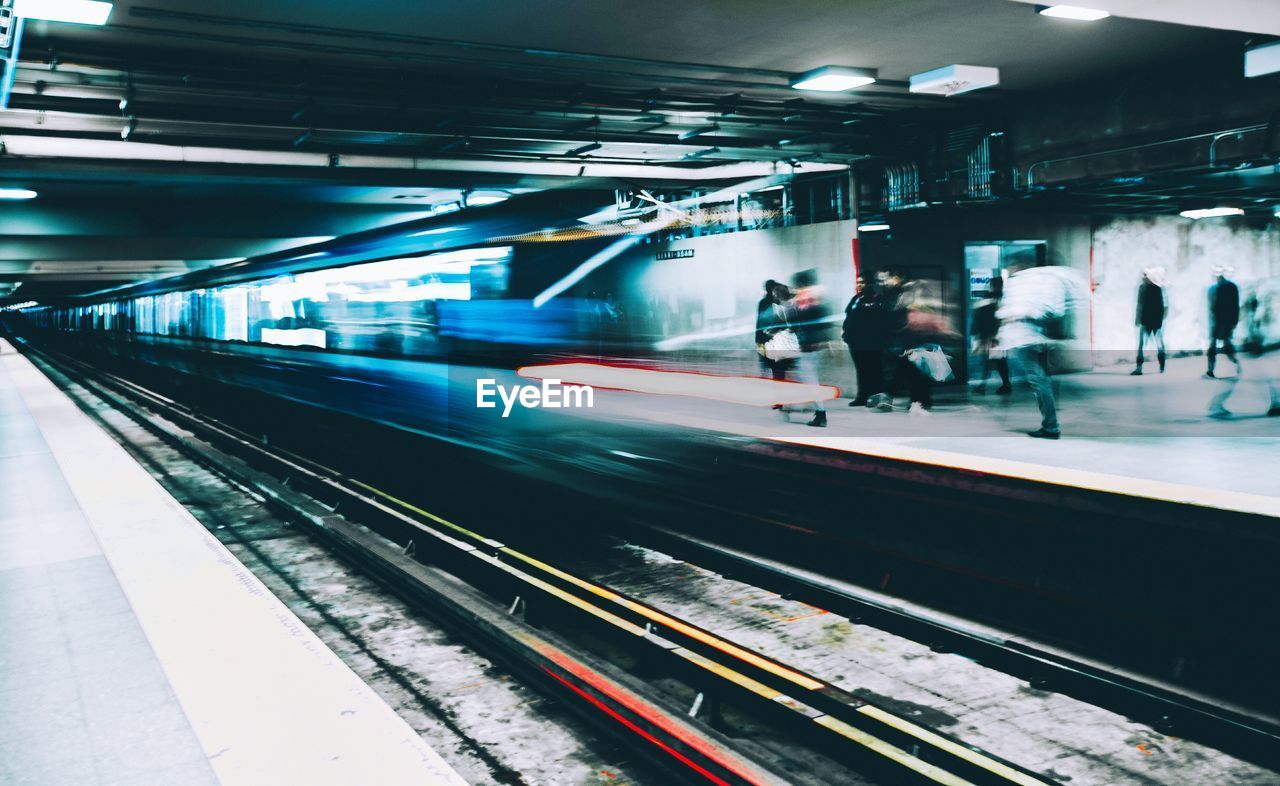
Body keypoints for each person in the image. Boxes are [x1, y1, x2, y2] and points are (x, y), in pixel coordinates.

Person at [997, 265, 1073, 440]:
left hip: (1025, 340)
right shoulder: (1045, 283)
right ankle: (1050, 425)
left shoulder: (1022, 285)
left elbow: (1015, 312)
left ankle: (1051, 427)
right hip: (1036, 339)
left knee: (1040, 382)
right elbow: (1055, 310)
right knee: (1042, 381)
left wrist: (1012, 314)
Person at [788, 269, 832, 427]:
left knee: (811, 381)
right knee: (809, 378)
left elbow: (793, 322)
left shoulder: (802, 299)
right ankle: (805, 406)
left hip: (806, 346)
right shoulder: (818, 298)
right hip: (816, 345)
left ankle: (820, 414)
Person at [841, 274, 887, 406]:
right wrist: (846, 334)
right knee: (861, 370)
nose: (859, 285)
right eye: (857, 283)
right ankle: (862, 396)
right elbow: (849, 317)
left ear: (869, 284)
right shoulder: (856, 299)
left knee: (874, 370)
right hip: (855, 342)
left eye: (862, 283)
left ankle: (875, 397)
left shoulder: (877, 300)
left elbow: (880, 322)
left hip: (872, 343)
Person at [970, 275, 1011, 394]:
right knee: (996, 361)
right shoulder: (1000, 298)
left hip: (993, 335)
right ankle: (1000, 384)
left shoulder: (993, 298)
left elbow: (985, 317)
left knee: (995, 361)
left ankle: (987, 385)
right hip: (995, 335)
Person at [1206, 267, 1241, 379]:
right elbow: (1236, 305)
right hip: (1226, 320)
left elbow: (1215, 306)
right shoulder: (1232, 287)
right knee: (1226, 342)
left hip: (1219, 320)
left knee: (1214, 344)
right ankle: (1234, 361)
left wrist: (1213, 313)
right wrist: (1234, 321)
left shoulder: (1219, 288)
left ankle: (1211, 369)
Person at [755, 280, 793, 381]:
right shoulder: (779, 302)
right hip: (775, 339)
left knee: (768, 364)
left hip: (767, 338)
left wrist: (758, 338)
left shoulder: (765, 302)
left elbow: (760, 322)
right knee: (777, 367)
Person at [1132, 268, 1167, 375]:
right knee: (1155, 344)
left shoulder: (1150, 288)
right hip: (1151, 321)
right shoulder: (1155, 288)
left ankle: (1141, 368)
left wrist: (1138, 319)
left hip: (1149, 321)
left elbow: (1141, 305)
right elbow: (1161, 306)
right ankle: (1160, 366)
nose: (1143, 278)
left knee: (1144, 345)